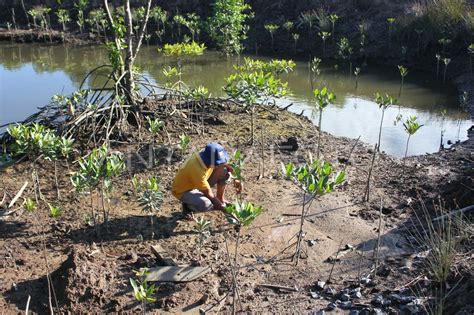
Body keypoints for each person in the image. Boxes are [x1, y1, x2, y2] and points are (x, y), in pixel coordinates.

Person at [172, 143, 242, 215]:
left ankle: (220, 198)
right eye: (218, 163)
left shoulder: (206, 156)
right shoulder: (196, 169)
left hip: (198, 183)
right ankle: (188, 207)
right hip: (184, 191)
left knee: (225, 171)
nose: (220, 164)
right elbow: (210, 195)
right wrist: (225, 210)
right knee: (206, 205)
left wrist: (236, 178)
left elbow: (226, 164)